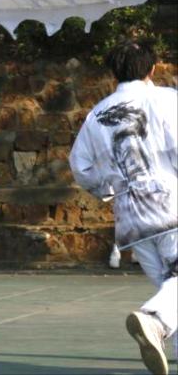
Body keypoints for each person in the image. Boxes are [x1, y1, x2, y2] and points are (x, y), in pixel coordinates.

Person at [70, 39, 176, 375]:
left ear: (113, 71)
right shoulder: (167, 100)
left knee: (170, 287)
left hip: (131, 217)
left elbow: (80, 167)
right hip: (170, 204)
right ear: (152, 69)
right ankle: (154, 320)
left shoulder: (97, 114)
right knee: (172, 293)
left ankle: (162, 330)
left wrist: (109, 188)